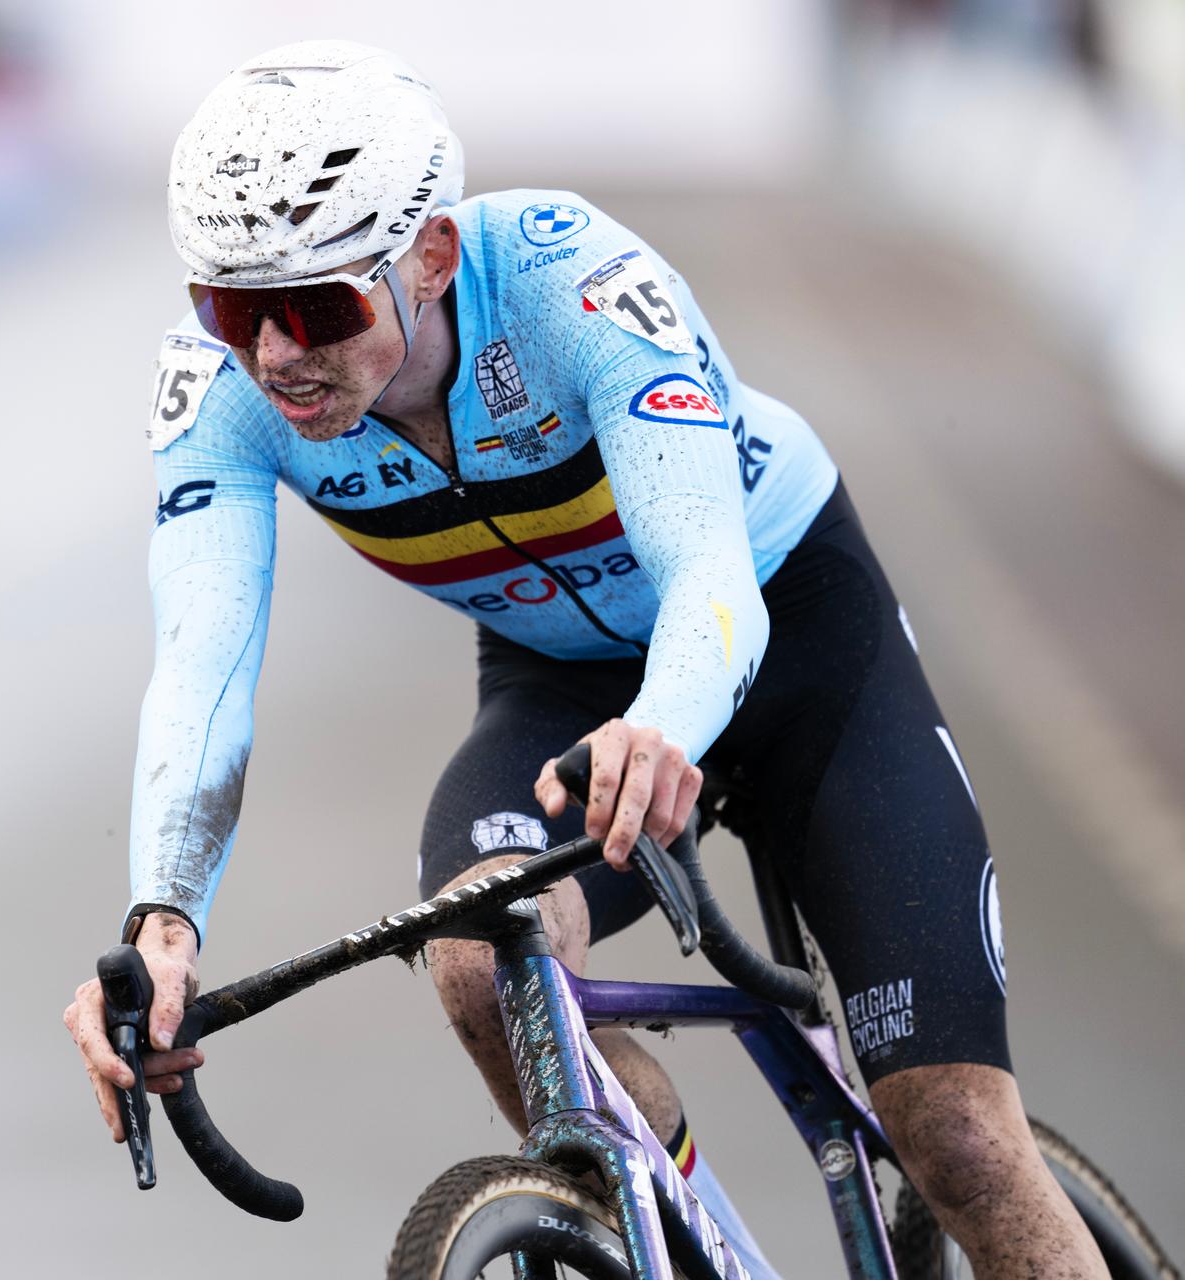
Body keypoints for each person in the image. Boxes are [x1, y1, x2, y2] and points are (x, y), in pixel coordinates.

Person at [62, 40, 1106, 1278]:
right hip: (562, 683)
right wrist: (163, 917)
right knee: (476, 945)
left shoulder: (576, 281)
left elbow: (710, 575)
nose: (277, 354)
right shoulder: (219, 394)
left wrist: (665, 721)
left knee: (958, 1137)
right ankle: (682, 1227)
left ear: (432, 258)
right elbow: (202, 661)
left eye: (319, 308)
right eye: (235, 309)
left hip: (791, 639)